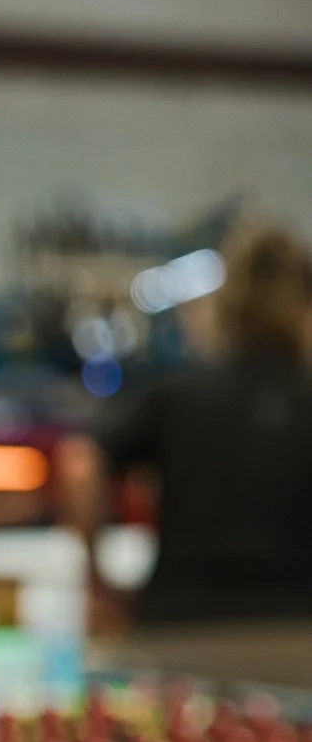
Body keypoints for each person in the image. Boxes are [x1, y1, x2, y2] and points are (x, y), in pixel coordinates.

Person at [63, 223, 312, 627]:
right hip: (298, 631)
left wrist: (97, 579)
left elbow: (80, 464)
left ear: (225, 305)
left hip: (183, 628)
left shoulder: (178, 397)